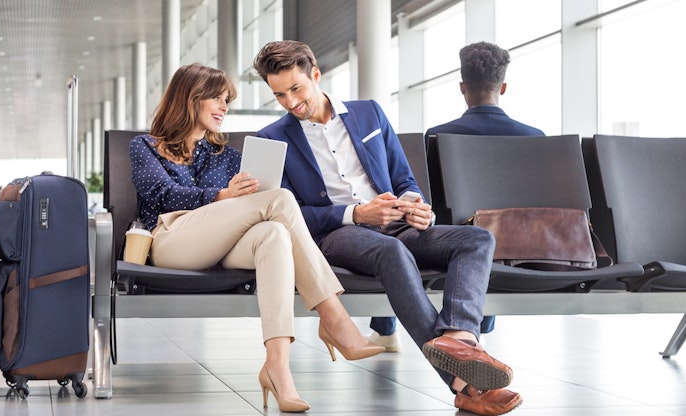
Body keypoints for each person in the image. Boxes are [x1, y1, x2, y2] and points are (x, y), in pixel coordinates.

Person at [253, 41, 522, 416]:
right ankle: (464, 383)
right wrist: (357, 215)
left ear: (315, 75)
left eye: (296, 89)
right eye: (279, 94)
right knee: (390, 252)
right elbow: (287, 215)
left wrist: (415, 204)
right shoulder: (273, 138)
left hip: (397, 223)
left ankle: (460, 337)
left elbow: (403, 178)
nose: (290, 102)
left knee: (476, 238)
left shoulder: (369, 114)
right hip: (337, 235)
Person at [130, 63, 384, 413]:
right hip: (172, 240)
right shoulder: (146, 146)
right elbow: (160, 195)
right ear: (190, 98)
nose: (223, 107)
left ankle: (277, 366)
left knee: (274, 233)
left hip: (222, 246)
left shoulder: (228, 156)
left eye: (226, 100)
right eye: (216, 99)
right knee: (280, 199)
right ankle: (334, 317)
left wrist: (244, 194)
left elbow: (251, 211)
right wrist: (223, 196)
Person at [361, 42, 546, 345]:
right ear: (504, 86)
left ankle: (384, 331)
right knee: (487, 236)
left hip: (453, 240)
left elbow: (428, 201)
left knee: (402, 232)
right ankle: (477, 329)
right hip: (518, 245)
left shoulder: (438, 136)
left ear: (462, 87)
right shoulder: (535, 138)